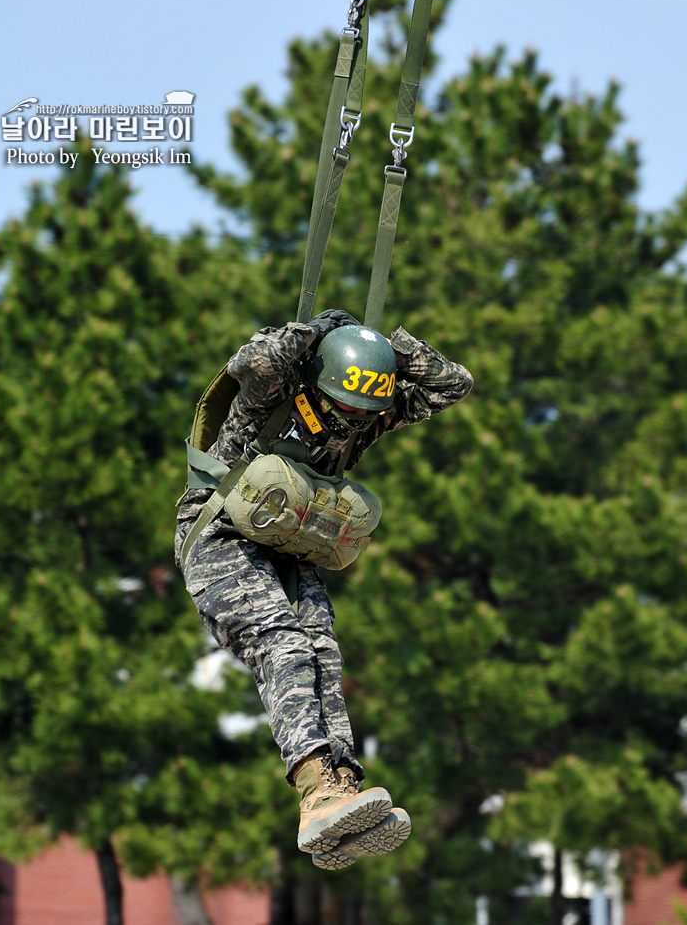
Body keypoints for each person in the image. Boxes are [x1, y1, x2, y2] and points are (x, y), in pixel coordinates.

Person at [174, 309, 473, 869]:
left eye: (367, 410)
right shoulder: (272, 396)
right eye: (345, 405)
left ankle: (340, 788)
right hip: (218, 536)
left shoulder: (366, 415)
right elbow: (253, 359)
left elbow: (452, 384)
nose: (353, 421)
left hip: (287, 546)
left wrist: (389, 348)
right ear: (320, 386)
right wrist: (317, 332)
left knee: (321, 650)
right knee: (282, 646)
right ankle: (315, 786)